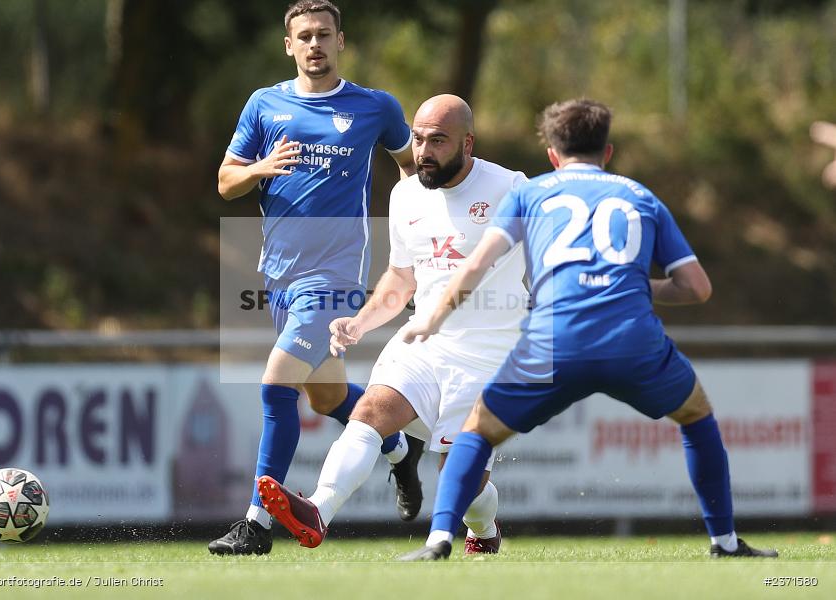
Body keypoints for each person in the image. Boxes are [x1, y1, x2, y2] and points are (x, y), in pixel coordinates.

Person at [397, 98, 779, 561]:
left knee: (474, 433)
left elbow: (477, 264)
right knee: (697, 418)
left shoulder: (530, 193)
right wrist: (637, 285)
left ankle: (439, 540)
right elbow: (696, 288)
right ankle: (724, 541)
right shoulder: (640, 196)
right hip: (632, 342)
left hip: (556, 342)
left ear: (553, 156)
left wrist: (433, 318)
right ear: (609, 152)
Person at [253, 94, 528, 554]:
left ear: (468, 143)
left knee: (461, 477)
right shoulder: (404, 195)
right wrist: (360, 323)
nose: (423, 150)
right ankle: (318, 510)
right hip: (425, 338)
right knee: (370, 412)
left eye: (438, 140)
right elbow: (401, 277)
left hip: (492, 351)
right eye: (418, 139)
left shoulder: (510, 188)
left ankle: (484, 531)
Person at [209, 0, 423, 556]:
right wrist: (258, 169)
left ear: (340, 41)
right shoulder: (265, 105)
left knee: (276, 386)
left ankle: (256, 525)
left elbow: (411, 171)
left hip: (335, 279)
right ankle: (399, 450)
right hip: (279, 278)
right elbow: (226, 182)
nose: (314, 45)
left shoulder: (374, 107)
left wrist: (418, 235)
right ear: (289, 45)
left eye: (323, 34)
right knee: (327, 398)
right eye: (304, 36)